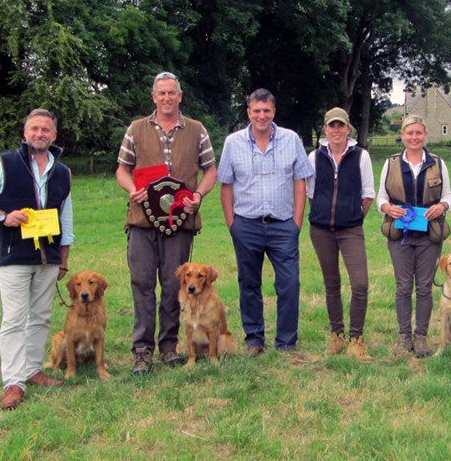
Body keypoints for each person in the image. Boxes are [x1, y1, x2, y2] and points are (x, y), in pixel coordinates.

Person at [0, 108, 73, 410]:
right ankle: (13, 382)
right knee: (14, 319)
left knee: (41, 316)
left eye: (46, 130)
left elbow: (66, 218)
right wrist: (3, 216)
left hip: (49, 256)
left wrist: (63, 259)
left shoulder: (62, 171)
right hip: (15, 254)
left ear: (54, 135)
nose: (39, 134)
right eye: (34, 129)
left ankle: (32, 370)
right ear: (25, 133)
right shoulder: (4, 163)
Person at [116, 71, 217, 374]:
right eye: (161, 93)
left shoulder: (197, 130)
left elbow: (210, 170)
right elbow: (122, 169)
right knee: (142, 283)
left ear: (180, 96)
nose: (167, 98)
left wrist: (198, 194)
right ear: (154, 97)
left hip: (180, 221)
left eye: (172, 92)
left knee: (176, 284)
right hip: (142, 221)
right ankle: (142, 350)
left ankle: (170, 346)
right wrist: (132, 190)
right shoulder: (136, 129)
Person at [217, 88, 314, 356]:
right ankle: (254, 340)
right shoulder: (233, 142)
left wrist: (296, 222)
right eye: (256, 111)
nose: (262, 116)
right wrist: (232, 223)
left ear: (274, 112)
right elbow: (225, 185)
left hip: (283, 225)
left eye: (267, 110)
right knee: (249, 284)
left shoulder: (290, 139)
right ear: (248, 112)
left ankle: (286, 342)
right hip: (246, 224)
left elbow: (300, 181)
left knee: (289, 284)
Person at [377, 115, 451, 358]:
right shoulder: (390, 164)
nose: (414, 137)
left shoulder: (438, 163)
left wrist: (441, 207)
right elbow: (380, 197)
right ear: (402, 135)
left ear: (425, 135)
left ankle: (421, 336)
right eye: (409, 133)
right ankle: (403, 335)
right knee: (402, 286)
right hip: (399, 234)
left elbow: (448, 196)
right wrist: (387, 208)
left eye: (418, 133)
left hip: (429, 235)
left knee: (424, 287)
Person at [306, 107, 375, 361]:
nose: (336, 130)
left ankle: (356, 338)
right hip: (321, 230)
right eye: (332, 126)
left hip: (351, 229)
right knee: (331, 283)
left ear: (348, 128)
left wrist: (353, 216)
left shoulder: (361, 156)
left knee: (360, 283)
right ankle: (337, 335)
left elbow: (368, 194)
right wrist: (324, 215)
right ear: (325, 130)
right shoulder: (315, 157)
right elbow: (311, 193)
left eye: (341, 126)